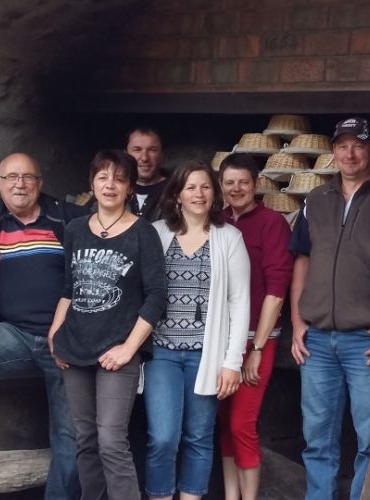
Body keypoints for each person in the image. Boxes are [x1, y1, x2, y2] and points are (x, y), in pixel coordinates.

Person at [289, 117, 370, 500]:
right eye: (342, 146)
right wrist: (297, 320)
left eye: (359, 145)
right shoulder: (315, 200)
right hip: (317, 340)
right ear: (333, 151)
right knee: (317, 438)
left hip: (367, 340)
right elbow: (302, 260)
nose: (350, 153)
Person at [47, 149, 166, 500]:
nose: (110, 184)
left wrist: (129, 348)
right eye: (102, 177)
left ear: (130, 187)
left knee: (111, 440)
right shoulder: (75, 230)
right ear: (92, 183)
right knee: (85, 440)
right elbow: (69, 288)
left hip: (118, 350)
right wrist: (55, 333)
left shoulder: (143, 233)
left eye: (119, 178)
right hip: (74, 348)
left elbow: (157, 296)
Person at [144, 161, 250, 500]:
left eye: (205, 187)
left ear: (214, 193)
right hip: (161, 351)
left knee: (199, 436)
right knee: (163, 437)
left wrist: (232, 361)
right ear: (177, 194)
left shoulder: (229, 238)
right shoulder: (157, 233)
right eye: (190, 187)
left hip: (207, 354)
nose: (199, 194)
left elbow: (240, 302)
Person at [0, 152, 85, 500]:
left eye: (28, 177)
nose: (20, 184)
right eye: (11, 177)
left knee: (71, 437)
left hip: (65, 341)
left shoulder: (66, 218)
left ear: (40, 183)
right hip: (15, 334)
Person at [217, 153, 293, 500]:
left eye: (243, 182)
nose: (236, 189)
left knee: (241, 424)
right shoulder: (216, 222)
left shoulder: (271, 223)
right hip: (220, 340)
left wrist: (257, 349)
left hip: (256, 339)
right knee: (223, 425)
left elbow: (277, 290)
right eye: (229, 182)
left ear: (256, 184)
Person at [126, 126, 168, 221]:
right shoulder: (113, 191)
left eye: (152, 150)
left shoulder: (176, 191)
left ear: (161, 155)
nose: (145, 158)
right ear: (125, 154)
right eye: (137, 150)